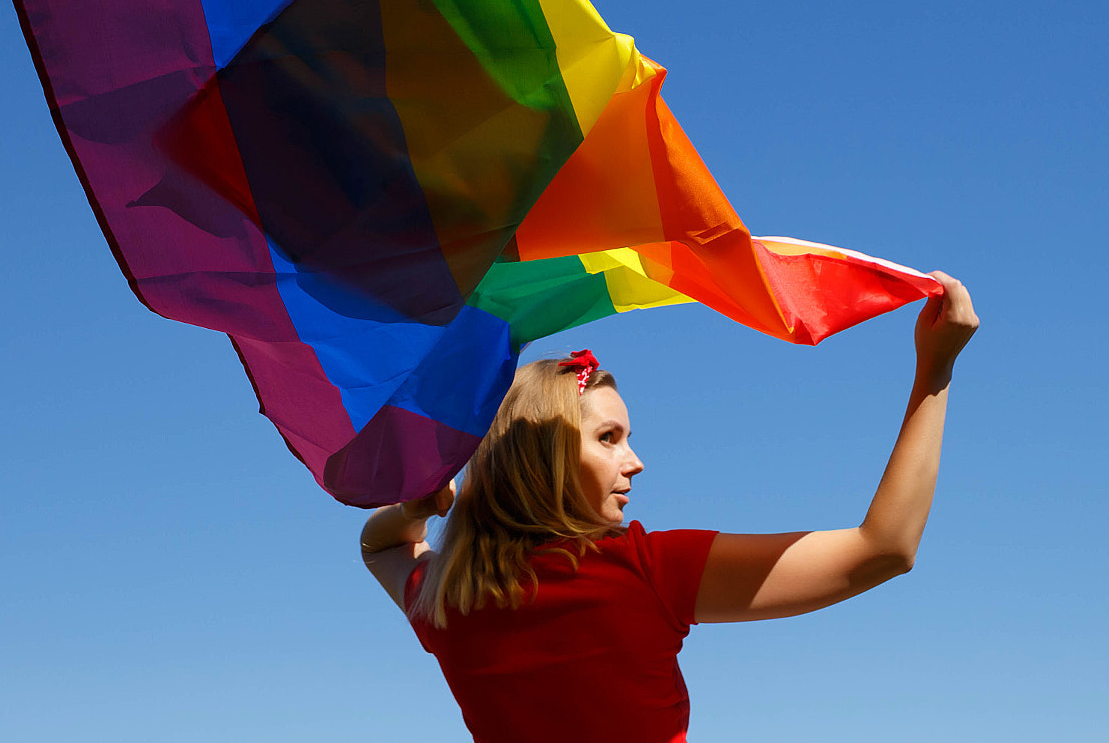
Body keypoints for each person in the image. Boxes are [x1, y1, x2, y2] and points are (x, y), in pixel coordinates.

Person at [360, 270, 981, 743]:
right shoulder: (644, 571)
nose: (636, 463)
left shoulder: (444, 599)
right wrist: (936, 370)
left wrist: (418, 505)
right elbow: (884, 548)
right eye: (609, 438)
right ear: (542, 455)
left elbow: (378, 544)